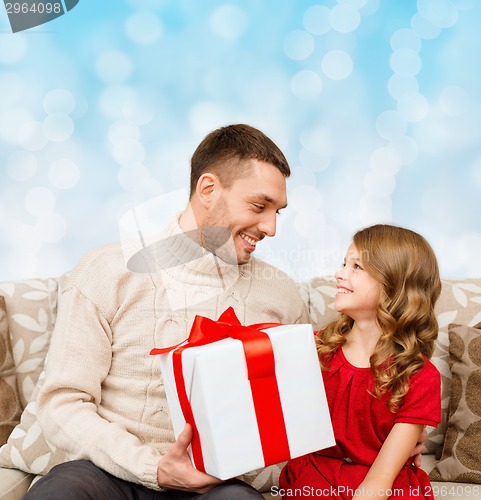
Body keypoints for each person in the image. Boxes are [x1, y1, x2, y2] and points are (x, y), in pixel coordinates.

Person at [25, 124, 311, 500]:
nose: (271, 227)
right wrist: (151, 467)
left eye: (278, 211)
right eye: (259, 206)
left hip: (217, 485)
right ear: (208, 190)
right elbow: (62, 403)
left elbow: (296, 416)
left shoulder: (282, 294)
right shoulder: (107, 270)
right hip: (108, 472)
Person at [279, 224, 442, 500]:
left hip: (382, 488)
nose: (339, 274)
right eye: (344, 264)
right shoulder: (313, 349)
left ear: (395, 285)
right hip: (316, 479)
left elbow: (380, 478)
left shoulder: (420, 376)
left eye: (357, 267)